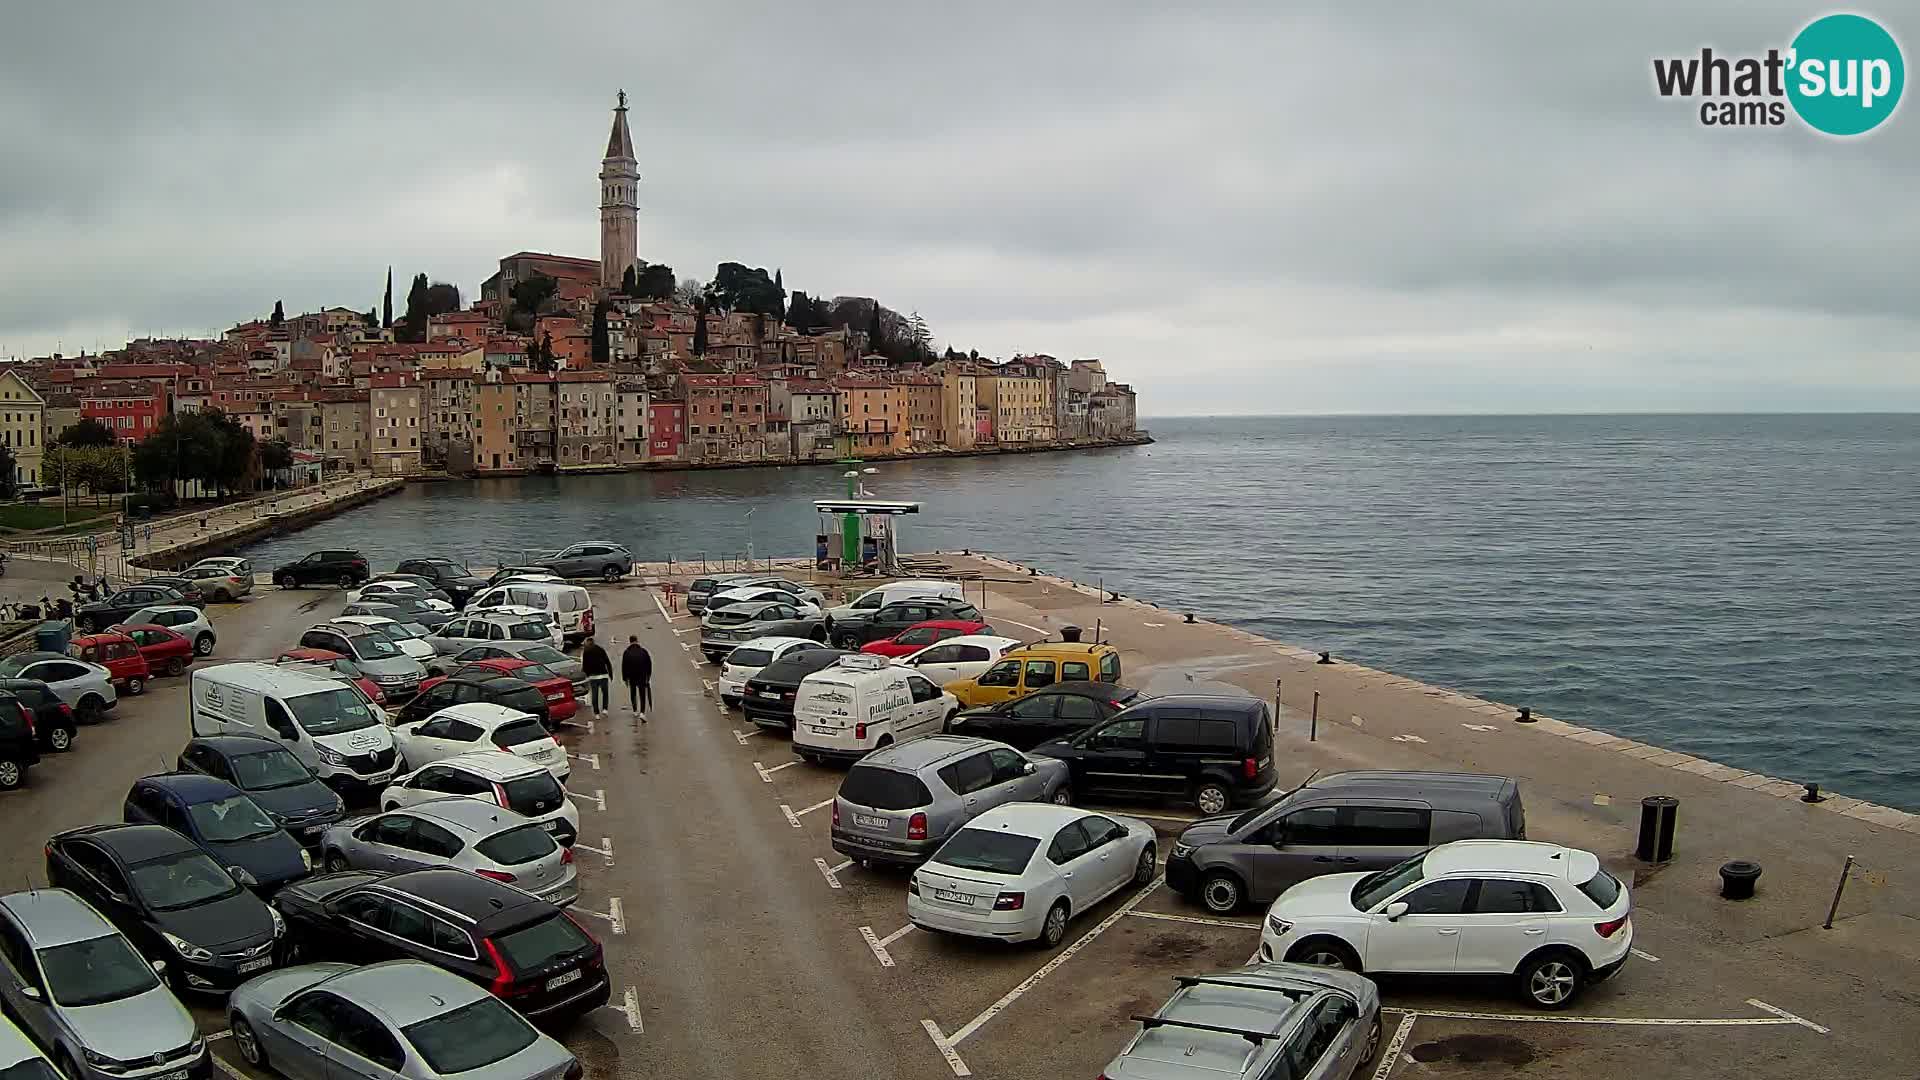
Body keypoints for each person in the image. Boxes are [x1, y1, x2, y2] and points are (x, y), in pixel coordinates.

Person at [580, 634, 612, 720]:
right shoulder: (600, 649)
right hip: (603, 675)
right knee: (605, 693)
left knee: (595, 695)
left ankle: (596, 713)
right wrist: (610, 674)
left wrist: (587, 675)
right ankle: (605, 709)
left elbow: (585, 665)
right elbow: (607, 661)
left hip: (593, 676)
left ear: (587, 643)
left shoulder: (586, 652)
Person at [620, 635, 652, 718]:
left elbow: (624, 666)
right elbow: (649, 664)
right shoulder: (643, 651)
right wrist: (648, 676)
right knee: (642, 694)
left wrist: (625, 678)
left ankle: (635, 710)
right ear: (637, 641)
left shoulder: (626, 652)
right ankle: (642, 712)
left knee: (633, 693)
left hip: (632, 676)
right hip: (642, 676)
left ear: (630, 641)